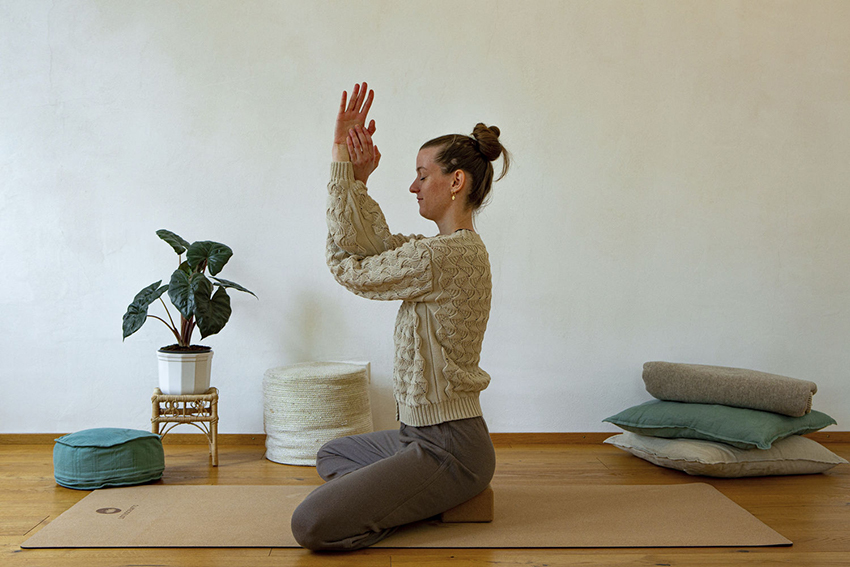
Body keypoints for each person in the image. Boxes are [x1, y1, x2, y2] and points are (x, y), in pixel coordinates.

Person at [290, 82, 510, 551]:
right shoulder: (436, 253)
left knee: (309, 524)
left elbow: (351, 267)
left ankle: (428, 500)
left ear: (456, 183)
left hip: (450, 446)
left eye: (421, 174)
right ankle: (423, 499)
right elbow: (376, 246)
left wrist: (342, 166)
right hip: (418, 436)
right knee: (332, 453)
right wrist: (354, 178)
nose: (412, 185)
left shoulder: (443, 258)